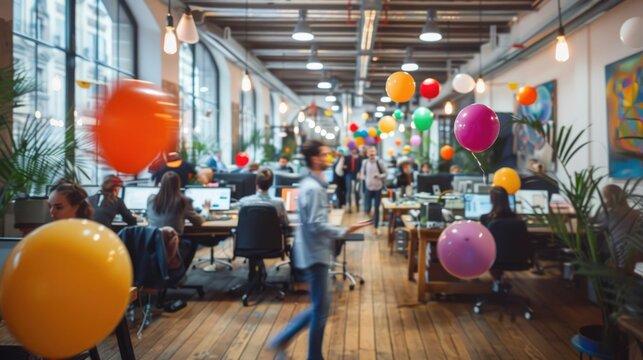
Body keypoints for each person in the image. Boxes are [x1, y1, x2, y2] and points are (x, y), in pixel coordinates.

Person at [268, 139, 371, 359]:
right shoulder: (313, 188)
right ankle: (305, 352)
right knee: (320, 309)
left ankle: (285, 341)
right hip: (316, 254)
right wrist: (344, 230)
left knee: (320, 307)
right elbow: (316, 225)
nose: (328, 158)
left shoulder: (313, 183)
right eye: (324, 154)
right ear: (315, 158)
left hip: (315, 252)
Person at [147, 172, 209, 269]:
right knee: (193, 240)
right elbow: (199, 221)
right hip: (174, 244)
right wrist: (206, 210)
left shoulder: (151, 199)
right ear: (178, 184)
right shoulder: (183, 201)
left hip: (152, 243)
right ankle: (180, 272)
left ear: (161, 183)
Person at [595, 184, 642, 269]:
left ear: (611, 198)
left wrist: (603, 208)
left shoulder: (610, 213)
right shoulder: (637, 213)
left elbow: (596, 227)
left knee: (598, 246)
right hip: (636, 252)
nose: (603, 201)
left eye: (604, 198)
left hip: (619, 255)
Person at [360, 146, 387, 234]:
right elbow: (362, 174)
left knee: (376, 208)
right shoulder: (364, 163)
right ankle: (370, 219)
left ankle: (376, 226)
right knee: (367, 208)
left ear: (375, 153)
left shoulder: (379, 162)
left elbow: (386, 173)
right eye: (370, 152)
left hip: (378, 188)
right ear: (367, 153)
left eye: (373, 151)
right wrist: (362, 177)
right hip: (368, 188)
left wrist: (379, 176)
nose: (372, 153)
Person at [343, 147, 363, 213]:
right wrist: (344, 167)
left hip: (357, 175)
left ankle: (357, 206)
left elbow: (361, 166)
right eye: (352, 149)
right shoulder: (347, 157)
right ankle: (349, 206)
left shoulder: (359, 157)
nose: (353, 150)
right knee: (348, 191)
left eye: (354, 149)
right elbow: (344, 167)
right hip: (349, 174)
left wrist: (359, 173)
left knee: (356, 191)